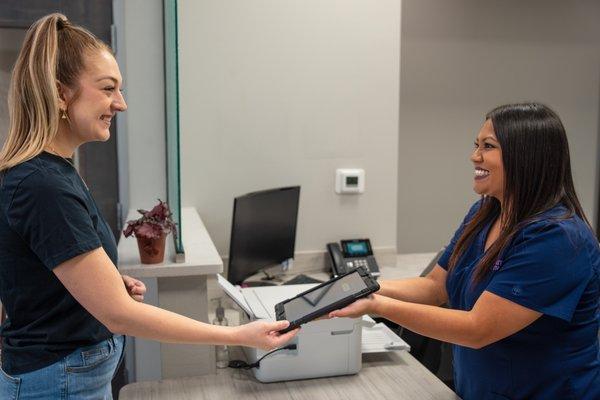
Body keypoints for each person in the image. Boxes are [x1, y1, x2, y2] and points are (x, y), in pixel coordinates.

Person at [0, 13, 297, 399]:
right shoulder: (43, 185)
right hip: (60, 383)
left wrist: (100, 284)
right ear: (60, 93)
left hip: (71, 376)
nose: (120, 104)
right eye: (108, 89)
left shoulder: (49, 173)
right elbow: (118, 314)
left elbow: (29, 275)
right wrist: (237, 335)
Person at [330, 103, 600, 399]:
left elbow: (477, 329)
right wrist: (359, 287)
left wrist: (375, 305)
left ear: (526, 156)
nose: (475, 156)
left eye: (488, 146)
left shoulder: (558, 240)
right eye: (476, 145)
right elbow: (435, 286)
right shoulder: (485, 213)